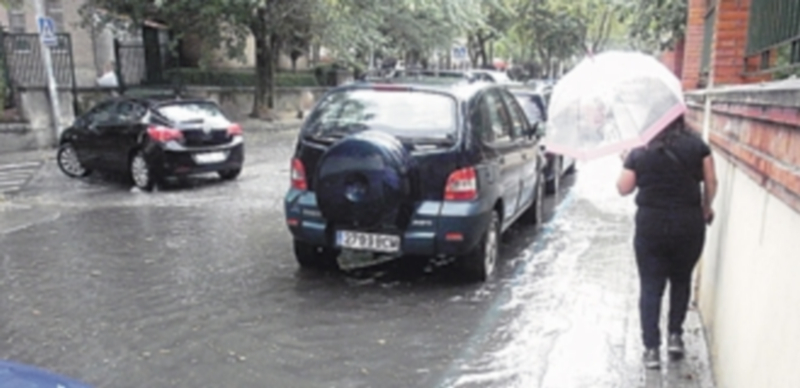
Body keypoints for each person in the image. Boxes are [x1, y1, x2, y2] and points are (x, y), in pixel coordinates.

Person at [616, 115, 718, 369]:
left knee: (650, 286)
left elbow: (623, 188)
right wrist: (707, 207)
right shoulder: (697, 145)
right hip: (688, 223)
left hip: (651, 226)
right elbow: (711, 182)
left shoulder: (640, 149)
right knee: (681, 280)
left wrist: (626, 160)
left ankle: (651, 349)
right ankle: (675, 336)